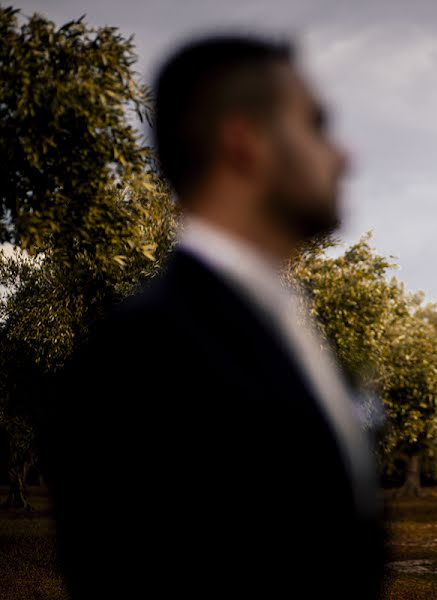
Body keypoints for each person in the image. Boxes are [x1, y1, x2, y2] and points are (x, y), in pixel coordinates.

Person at [37, 34, 387, 599]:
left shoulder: (286, 326)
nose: (344, 156)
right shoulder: (141, 353)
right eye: (316, 125)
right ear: (244, 142)